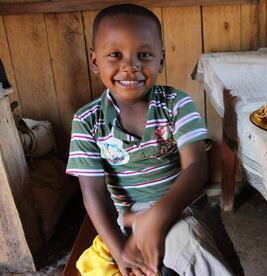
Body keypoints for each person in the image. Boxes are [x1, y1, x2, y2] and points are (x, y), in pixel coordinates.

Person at [66, 4, 233, 276]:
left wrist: (157, 218)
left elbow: (196, 168)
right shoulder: (87, 121)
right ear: (95, 61)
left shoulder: (176, 105)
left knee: (189, 241)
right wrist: (120, 252)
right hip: (130, 217)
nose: (130, 67)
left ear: (161, 60)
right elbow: (93, 193)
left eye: (144, 55)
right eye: (114, 54)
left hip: (182, 204)